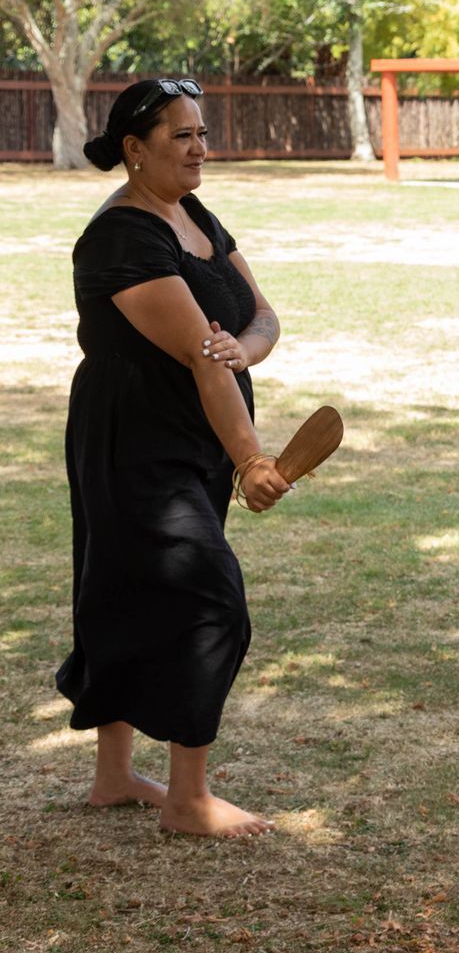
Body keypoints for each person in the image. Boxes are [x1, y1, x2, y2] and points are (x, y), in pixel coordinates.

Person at [59, 78, 293, 839]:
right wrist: (252, 457)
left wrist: (242, 345)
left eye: (201, 132)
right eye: (182, 136)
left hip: (192, 437)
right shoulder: (123, 235)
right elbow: (202, 360)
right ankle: (189, 801)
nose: (201, 148)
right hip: (134, 440)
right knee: (207, 598)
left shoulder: (193, 213)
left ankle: (114, 776)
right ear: (134, 149)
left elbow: (261, 318)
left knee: (125, 589)